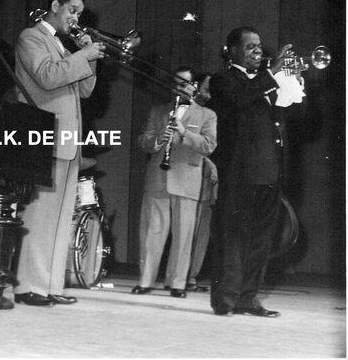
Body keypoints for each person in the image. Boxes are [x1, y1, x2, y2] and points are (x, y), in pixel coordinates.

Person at [12, 0, 105, 307]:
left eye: (79, 13)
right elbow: (46, 77)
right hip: (44, 137)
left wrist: (89, 56)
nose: (75, 18)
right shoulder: (31, 37)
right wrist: (82, 56)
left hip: (66, 141)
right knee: (40, 217)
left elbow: (85, 91)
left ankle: (50, 285)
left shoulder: (63, 47)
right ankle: (29, 286)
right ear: (55, 6)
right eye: (72, 10)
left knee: (61, 218)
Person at [208, 26, 306, 317]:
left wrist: (295, 81)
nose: (258, 51)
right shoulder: (223, 80)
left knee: (261, 242)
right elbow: (240, 99)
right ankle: (225, 299)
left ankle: (247, 299)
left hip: (269, 173)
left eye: (259, 46)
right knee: (233, 239)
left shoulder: (267, 81)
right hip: (239, 174)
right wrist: (272, 73)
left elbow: (297, 115)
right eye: (250, 46)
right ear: (232, 51)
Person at [131, 67, 217, 299]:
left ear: (194, 86)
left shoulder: (207, 115)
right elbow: (143, 141)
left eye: (185, 83)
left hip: (187, 178)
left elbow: (209, 145)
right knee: (152, 232)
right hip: (158, 178)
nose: (180, 87)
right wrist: (159, 139)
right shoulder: (158, 110)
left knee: (184, 234)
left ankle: (177, 283)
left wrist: (183, 134)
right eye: (176, 83)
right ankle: (145, 280)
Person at [186, 72, 218, 292]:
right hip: (195, 173)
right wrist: (208, 161)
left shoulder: (213, 111)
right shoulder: (189, 109)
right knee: (193, 228)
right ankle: (185, 277)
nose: (209, 95)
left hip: (213, 178)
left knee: (204, 231)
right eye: (206, 89)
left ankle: (192, 276)